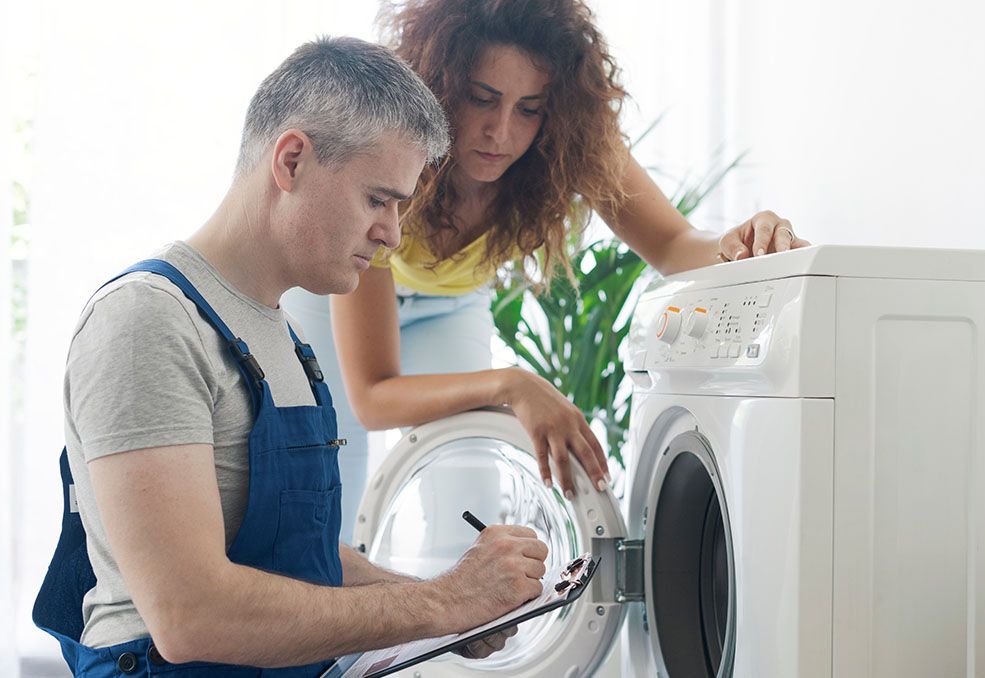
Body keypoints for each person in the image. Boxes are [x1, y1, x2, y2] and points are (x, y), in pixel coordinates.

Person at [33, 37, 546, 676]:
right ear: (293, 159)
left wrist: (444, 602)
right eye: (378, 199)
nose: (393, 233)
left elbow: (296, 556)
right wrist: (441, 604)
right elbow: (190, 616)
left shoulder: (284, 339)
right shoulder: (148, 320)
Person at [281, 0, 812, 538]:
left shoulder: (571, 145)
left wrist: (742, 244)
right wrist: (514, 385)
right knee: (327, 484)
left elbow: (673, 243)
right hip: (332, 289)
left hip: (450, 303)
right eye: (481, 99)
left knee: (470, 503)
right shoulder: (391, 141)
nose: (501, 132)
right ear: (440, 85)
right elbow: (373, 395)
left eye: (529, 108)